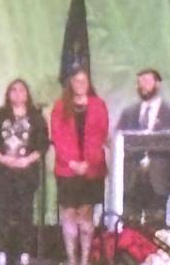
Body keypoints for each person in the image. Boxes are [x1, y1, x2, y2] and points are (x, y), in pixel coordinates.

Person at [115, 69, 170, 227]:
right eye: (140, 82)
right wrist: (153, 141)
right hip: (132, 176)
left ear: (157, 84)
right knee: (129, 221)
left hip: (159, 176)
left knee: (156, 221)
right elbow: (121, 140)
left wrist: (146, 143)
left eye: (147, 81)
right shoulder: (128, 113)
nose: (143, 86)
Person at [0, 79, 48, 265]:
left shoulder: (36, 116)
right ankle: (1, 254)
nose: (18, 93)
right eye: (13, 90)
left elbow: (43, 144)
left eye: (22, 90)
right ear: (8, 94)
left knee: (25, 215)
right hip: (2, 174)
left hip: (26, 174)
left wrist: (27, 160)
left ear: (27, 94)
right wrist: (3, 158)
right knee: (2, 215)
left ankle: (24, 254)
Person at [51, 68, 109, 265]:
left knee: (86, 215)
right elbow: (57, 137)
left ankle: (85, 260)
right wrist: (72, 162)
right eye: (76, 80)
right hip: (67, 169)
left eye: (84, 80)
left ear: (89, 83)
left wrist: (88, 163)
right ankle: (71, 259)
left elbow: (101, 135)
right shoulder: (60, 106)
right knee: (68, 215)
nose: (80, 84)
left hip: (91, 170)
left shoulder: (99, 105)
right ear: (71, 83)